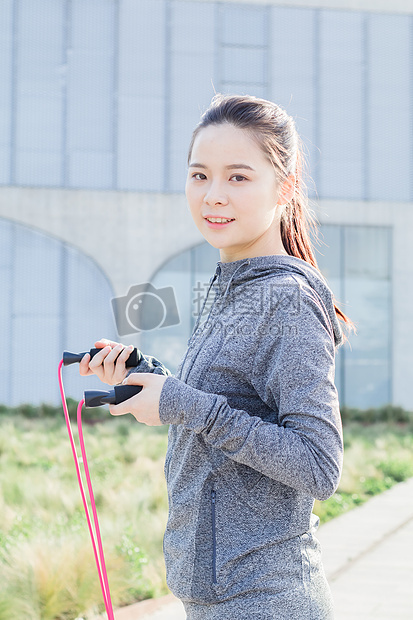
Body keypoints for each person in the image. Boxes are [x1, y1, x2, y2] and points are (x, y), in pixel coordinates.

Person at [79, 94, 352, 619]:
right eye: (200, 175)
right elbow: (223, 405)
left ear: (286, 188)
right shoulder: (233, 285)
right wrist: (148, 377)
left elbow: (319, 466)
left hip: (264, 600)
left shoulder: (286, 299)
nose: (213, 196)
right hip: (217, 598)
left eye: (238, 177)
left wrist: (184, 403)